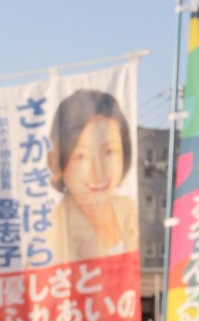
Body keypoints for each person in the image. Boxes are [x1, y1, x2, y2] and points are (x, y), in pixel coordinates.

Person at [46, 89, 139, 262]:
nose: (98, 171)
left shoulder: (131, 210)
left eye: (109, 152)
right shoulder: (50, 236)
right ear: (60, 162)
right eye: (81, 156)